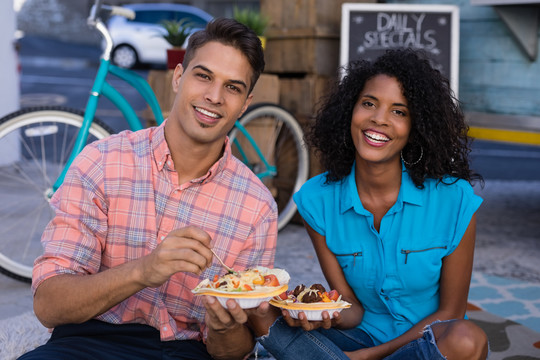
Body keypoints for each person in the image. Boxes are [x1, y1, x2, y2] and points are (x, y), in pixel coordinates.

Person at [20, 18, 278, 360]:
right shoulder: (103, 161)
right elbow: (49, 305)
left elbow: (235, 352)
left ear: (246, 103)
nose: (214, 96)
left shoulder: (256, 207)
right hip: (86, 341)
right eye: (203, 76)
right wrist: (143, 271)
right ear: (177, 77)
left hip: (189, 352)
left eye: (233, 87)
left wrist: (224, 328)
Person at [256, 49, 489, 359]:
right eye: (369, 104)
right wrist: (320, 311)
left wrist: (373, 356)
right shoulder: (317, 199)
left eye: (399, 111)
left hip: (428, 345)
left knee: (467, 339)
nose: (379, 119)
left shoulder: (454, 199)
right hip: (357, 340)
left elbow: (451, 312)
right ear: (348, 111)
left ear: (416, 126)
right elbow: (352, 309)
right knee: (259, 311)